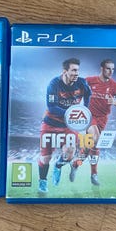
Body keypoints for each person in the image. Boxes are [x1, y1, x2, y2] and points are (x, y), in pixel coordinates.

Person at [70, 59, 116, 186]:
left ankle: (76, 164)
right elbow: (77, 92)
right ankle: (94, 175)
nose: (111, 71)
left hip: (103, 119)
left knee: (92, 146)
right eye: (108, 68)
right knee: (95, 138)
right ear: (102, 68)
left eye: (113, 69)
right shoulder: (90, 81)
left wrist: (114, 102)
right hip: (89, 116)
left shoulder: (114, 85)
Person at [38, 58, 91, 193]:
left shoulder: (82, 83)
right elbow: (52, 107)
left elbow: (88, 95)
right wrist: (72, 113)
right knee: (45, 158)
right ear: (65, 71)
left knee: (70, 153)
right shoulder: (54, 84)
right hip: (50, 123)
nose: (76, 73)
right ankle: (42, 181)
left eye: (78, 70)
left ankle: (58, 166)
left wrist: (85, 110)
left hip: (68, 125)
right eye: (73, 70)